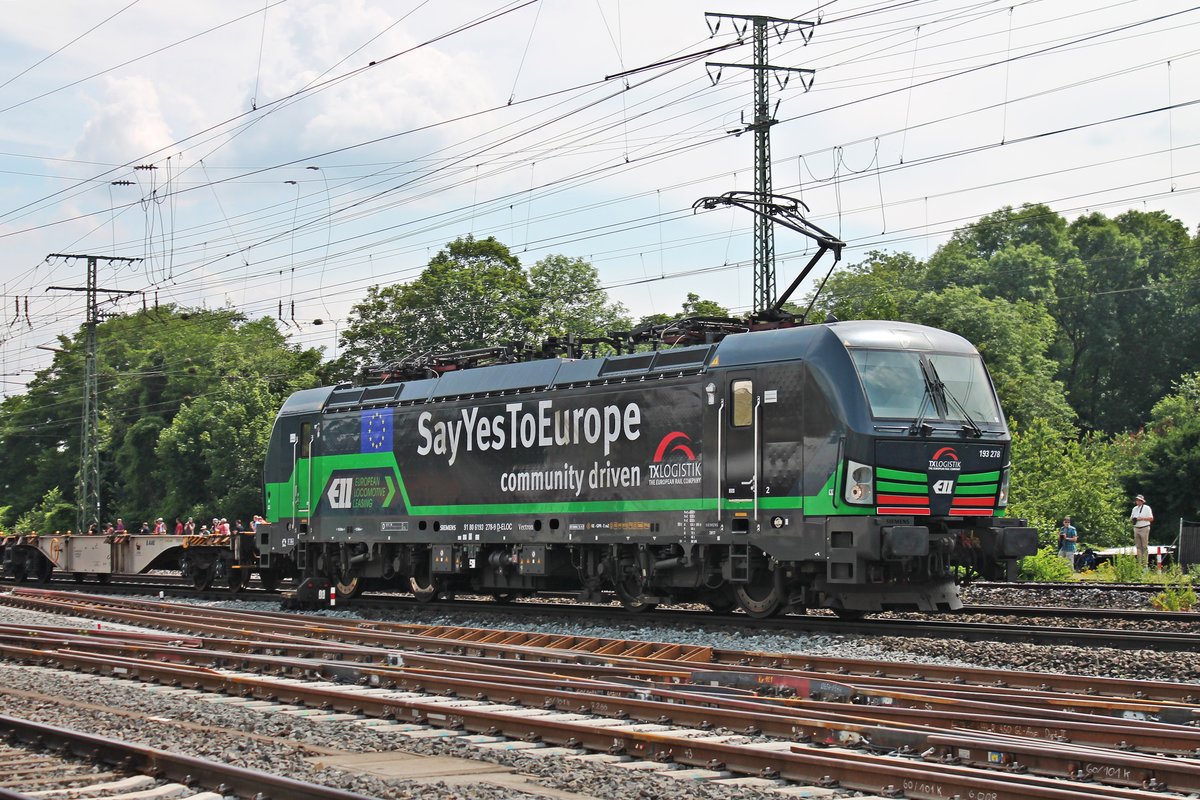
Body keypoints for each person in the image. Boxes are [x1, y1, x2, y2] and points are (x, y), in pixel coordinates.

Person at [1130, 494, 1154, 568]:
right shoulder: (1134, 509)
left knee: (1144, 546)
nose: (1138, 501)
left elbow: (1151, 518)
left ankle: (1145, 564)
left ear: (1142, 501)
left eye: (1139, 500)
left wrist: (1141, 519)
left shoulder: (1147, 508)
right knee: (1138, 547)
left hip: (1144, 527)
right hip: (1136, 527)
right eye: (1137, 500)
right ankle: (1140, 563)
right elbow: (1131, 518)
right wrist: (1134, 519)